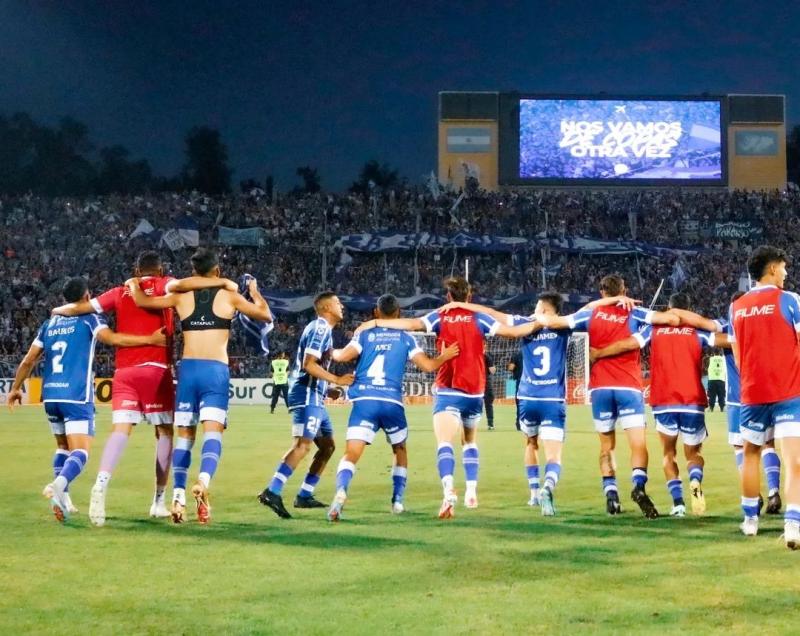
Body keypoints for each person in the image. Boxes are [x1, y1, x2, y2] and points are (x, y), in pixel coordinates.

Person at [50, 250, 235, 526]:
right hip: (155, 370)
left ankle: (100, 484)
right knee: (165, 432)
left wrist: (58, 310)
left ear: (137, 271)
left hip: (124, 373)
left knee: (120, 430)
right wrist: (224, 282)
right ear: (160, 270)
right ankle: (159, 501)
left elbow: (80, 308)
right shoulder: (165, 284)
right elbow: (192, 283)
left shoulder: (119, 291)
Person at [356, 277, 540, 519]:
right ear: (469, 297)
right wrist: (541, 322)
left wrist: (375, 322)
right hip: (475, 391)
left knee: (444, 442)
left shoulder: (440, 316)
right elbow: (513, 332)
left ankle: (448, 490)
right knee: (469, 441)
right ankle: (471, 491)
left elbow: (412, 324)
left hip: (448, 389)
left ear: (448, 297)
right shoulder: (479, 317)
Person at [128, 247, 271, 524]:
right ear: (216, 270)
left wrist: (134, 284)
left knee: (184, 437)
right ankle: (203, 482)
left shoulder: (180, 296)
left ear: (194, 271)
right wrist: (254, 292)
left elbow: (143, 302)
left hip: (189, 370)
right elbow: (265, 315)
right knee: (213, 434)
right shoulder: (230, 296)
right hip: (215, 371)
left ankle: (178, 497)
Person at [6, 277, 167, 522]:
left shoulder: (49, 324)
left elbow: (29, 360)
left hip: (50, 396)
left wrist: (16, 388)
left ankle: (65, 499)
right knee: (81, 451)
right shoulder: (89, 319)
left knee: (63, 447)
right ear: (86, 297)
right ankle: (58, 485)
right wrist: (150, 340)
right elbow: (113, 339)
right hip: (76, 395)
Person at [536, 274, 677, 518]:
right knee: (638, 444)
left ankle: (611, 495)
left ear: (602, 293)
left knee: (606, 446)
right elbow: (670, 319)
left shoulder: (591, 313)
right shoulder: (635, 312)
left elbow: (554, 322)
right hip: (628, 386)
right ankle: (638, 486)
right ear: (625, 291)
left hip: (600, 388)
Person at [326, 293, 459, 521]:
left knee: (352, 453)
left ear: (376, 313)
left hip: (364, 401)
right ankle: (397, 501)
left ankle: (340, 493)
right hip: (391, 403)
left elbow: (341, 356)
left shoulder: (364, 334)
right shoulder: (406, 338)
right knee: (399, 450)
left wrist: (331, 351)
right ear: (398, 313)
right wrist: (444, 356)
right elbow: (428, 366)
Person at [590, 293, 718, 517]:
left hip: (663, 401)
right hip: (692, 400)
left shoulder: (654, 329)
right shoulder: (697, 331)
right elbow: (725, 337)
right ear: (688, 309)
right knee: (694, 454)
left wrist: (599, 353)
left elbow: (629, 344)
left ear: (668, 308)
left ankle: (678, 505)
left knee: (669, 454)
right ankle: (695, 480)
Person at [259, 291, 354, 519]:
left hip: (316, 395)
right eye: (337, 302)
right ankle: (272, 491)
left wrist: (326, 389)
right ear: (325, 308)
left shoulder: (324, 330)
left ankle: (304, 495)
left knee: (328, 446)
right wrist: (337, 379)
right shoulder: (320, 327)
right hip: (306, 395)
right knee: (302, 445)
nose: (341, 305)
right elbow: (308, 364)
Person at [729, 245, 800, 547]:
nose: (786, 273)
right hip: (788, 391)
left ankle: (750, 522)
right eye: (783, 267)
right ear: (772, 268)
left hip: (752, 392)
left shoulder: (737, 306)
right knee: (794, 459)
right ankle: (793, 525)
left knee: (750, 455)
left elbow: (737, 355)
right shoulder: (790, 300)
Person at [715, 293, 782, 515]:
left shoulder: (728, 327)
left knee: (740, 448)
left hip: (737, 399)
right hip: (765, 394)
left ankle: (754, 495)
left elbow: (710, 333)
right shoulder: (764, 327)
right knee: (768, 445)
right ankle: (774, 491)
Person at [508, 349, 523, 430]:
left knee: (519, 403)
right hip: (531, 382)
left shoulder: (516, 354)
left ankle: (519, 424)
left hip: (520, 382)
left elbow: (511, 368)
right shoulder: (531, 353)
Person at [484, 347, 496, 431]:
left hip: (475, 382)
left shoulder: (473, 355)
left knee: (472, 403)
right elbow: (492, 371)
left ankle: (469, 424)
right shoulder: (487, 356)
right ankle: (490, 424)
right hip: (486, 383)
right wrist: (494, 367)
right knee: (488, 404)